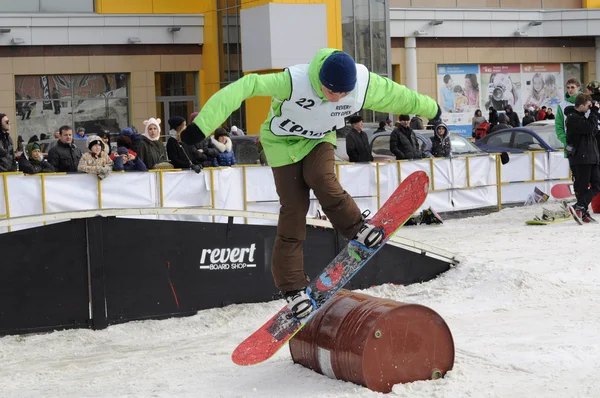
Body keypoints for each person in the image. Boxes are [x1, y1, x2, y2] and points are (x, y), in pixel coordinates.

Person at [180, 48, 440, 319]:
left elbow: (399, 96)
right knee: (294, 209)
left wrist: (431, 109)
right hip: (281, 143)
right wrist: (202, 126)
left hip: (318, 139)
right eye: (331, 92)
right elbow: (246, 86)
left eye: (343, 93)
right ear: (320, 82)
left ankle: (357, 228)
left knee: (322, 179)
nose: (337, 98)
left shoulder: (364, 85)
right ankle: (293, 289)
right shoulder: (293, 81)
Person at [566, 93, 600, 224]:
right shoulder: (573, 118)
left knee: (597, 185)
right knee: (582, 187)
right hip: (581, 158)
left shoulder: (583, 117)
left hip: (592, 156)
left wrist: (593, 112)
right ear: (580, 106)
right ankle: (581, 210)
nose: (590, 108)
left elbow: (593, 131)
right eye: (587, 106)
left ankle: (580, 207)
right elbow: (589, 128)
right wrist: (594, 111)